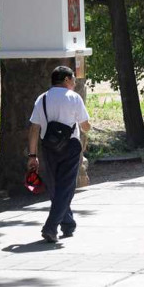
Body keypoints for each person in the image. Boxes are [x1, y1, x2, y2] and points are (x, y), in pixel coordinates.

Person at [27, 66, 90, 243]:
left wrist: (32, 156)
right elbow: (85, 125)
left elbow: (34, 128)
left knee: (56, 186)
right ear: (66, 80)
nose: (75, 83)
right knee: (66, 187)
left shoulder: (42, 98)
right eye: (73, 80)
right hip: (70, 146)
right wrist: (88, 126)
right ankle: (50, 227)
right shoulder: (74, 98)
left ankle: (68, 223)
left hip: (49, 147)